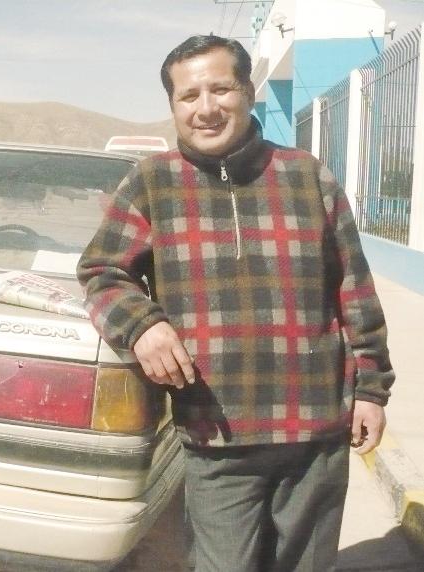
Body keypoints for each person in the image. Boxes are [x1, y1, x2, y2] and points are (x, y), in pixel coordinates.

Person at [77, 34, 394, 572]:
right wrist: (141, 325)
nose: (206, 108)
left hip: (316, 429)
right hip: (215, 432)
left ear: (247, 90)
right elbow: (101, 273)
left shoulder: (307, 176)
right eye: (189, 95)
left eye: (220, 89)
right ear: (173, 105)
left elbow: (354, 289)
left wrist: (371, 389)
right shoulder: (152, 183)